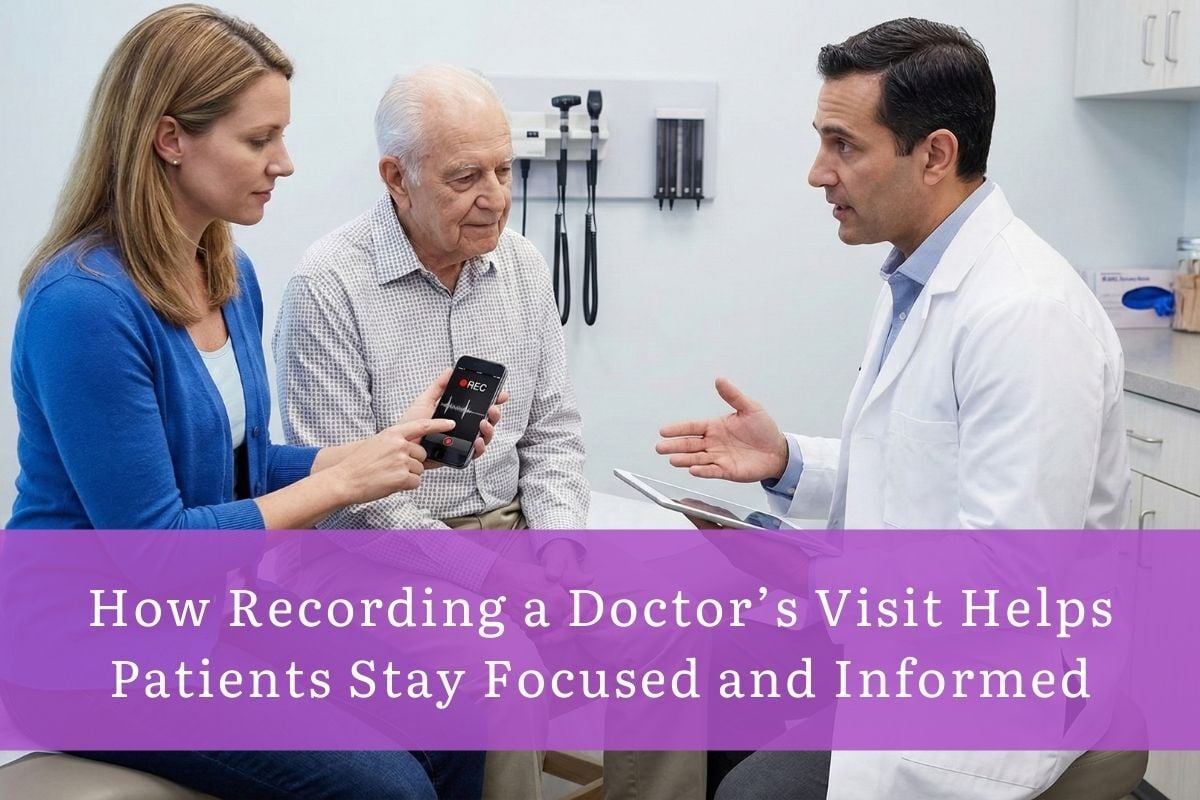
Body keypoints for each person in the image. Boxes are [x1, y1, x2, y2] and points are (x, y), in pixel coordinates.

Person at [4, 6, 493, 798]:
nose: (285, 163)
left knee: (458, 702)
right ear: (170, 139)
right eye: (259, 140)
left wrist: (385, 448)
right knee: (387, 788)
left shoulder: (225, 275)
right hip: (86, 650)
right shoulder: (83, 307)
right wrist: (339, 483)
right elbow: (156, 551)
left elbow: (242, 462)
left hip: (208, 622)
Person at [656, 17, 1128, 800]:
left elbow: (1005, 584)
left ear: (934, 155)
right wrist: (787, 463)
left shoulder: (1025, 314)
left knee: (753, 792)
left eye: (844, 145)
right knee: (707, 663)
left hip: (994, 692)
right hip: (905, 645)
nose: (818, 173)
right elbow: (920, 473)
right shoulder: (919, 277)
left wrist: (806, 570)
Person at [273, 65, 705, 800]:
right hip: (376, 558)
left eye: (505, 169)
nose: (497, 197)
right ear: (395, 177)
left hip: (514, 535)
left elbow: (554, 435)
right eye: (467, 176)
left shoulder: (524, 267)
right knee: (502, 673)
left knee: (664, 633)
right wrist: (492, 577)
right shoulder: (328, 285)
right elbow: (344, 502)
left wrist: (561, 546)